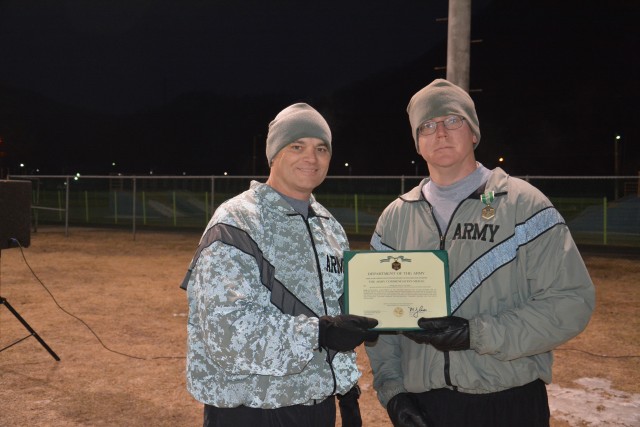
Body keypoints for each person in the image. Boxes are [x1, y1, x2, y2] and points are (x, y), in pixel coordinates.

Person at [365, 79, 596, 427]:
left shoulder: (523, 204)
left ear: (473, 133)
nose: (440, 132)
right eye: (427, 126)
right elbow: (381, 324)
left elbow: (570, 302)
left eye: (452, 121)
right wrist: (394, 393)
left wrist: (478, 334)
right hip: (426, 407)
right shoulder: (396, 218)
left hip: (510, 402)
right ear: (417, 143)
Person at [182, 102, 378, 427]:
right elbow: (225, 331)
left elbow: (335, 316)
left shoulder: (329, 228)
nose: (311, 158)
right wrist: (319, 334)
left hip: (316, 405)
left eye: (321, 148)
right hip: (252, 409)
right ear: (274, 154)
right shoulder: (237, 222)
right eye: (297, 146)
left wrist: (346, 389)